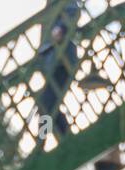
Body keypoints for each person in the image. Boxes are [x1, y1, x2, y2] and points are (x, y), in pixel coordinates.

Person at [37, 1, 81, 138]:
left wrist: (62, 28)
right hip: (53, 62)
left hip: (62, 61)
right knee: (48, 104)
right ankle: (65, 139)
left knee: (46, 103)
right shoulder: (50, 6)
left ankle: (43, 140)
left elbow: (74, 11)